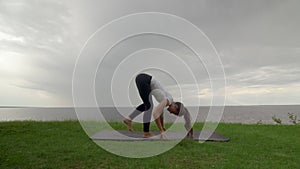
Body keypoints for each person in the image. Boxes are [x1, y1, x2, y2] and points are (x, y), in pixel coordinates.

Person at [123, 73, 193, 138]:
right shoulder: (169, 100)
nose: (171, 113)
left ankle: (129, 119)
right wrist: (161, 131)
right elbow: (155, 114)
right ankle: (146, 133)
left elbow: (160, 115)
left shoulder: (166, 101)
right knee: (149, 106)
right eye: (174, 112)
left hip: (142, 79)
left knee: (147, 104)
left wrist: (162, 127)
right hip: (145, 80)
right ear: (175, 106)